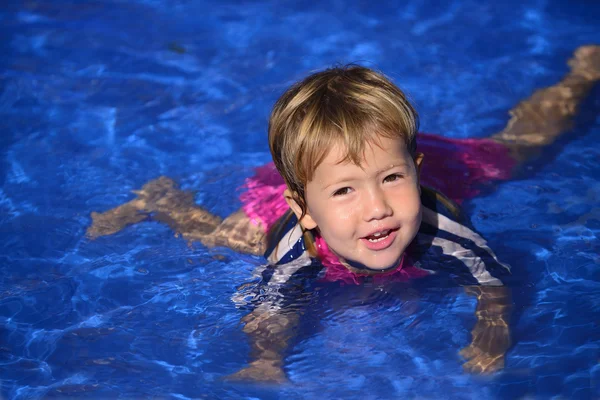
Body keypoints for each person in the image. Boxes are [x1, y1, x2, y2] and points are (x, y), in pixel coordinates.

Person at [86, 45, 600, 382]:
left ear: (416, 172)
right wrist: (265, 363)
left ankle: (580, 76)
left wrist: (490, 338)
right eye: (346, 192)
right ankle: (161, 199)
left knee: (519, 146)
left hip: (440, 168)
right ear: (304, 209)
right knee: (224, 236)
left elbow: (493, 285)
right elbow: (270, 308)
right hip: (275, 200)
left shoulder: (444, 234)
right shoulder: (297, 246)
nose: (377, 209)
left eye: (394, 179)